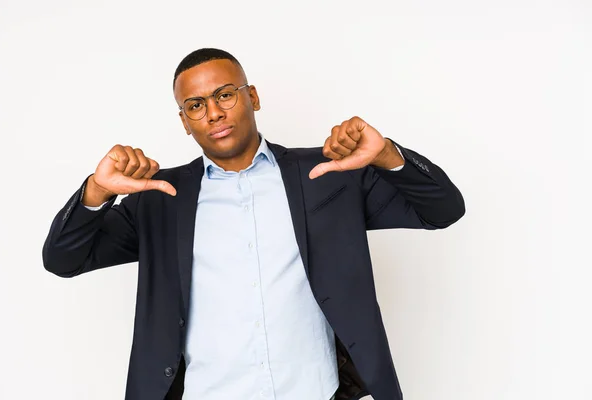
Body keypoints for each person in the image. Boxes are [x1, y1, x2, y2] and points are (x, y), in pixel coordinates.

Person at [43, 48, 465, 400]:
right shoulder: (158, 198)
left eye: (225, 95)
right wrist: (96, 191)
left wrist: (388, 154)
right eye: (195, 105)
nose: (213, 113)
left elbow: (443, 210)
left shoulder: (327, 174)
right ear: (185, 122)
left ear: (253, 97)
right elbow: (63, 259)